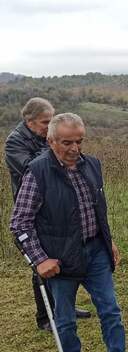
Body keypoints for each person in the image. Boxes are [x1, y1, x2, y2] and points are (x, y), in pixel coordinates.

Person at [10, 113, 128, 352]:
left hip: (95, 252)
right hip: (60, 259)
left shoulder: (92, 165)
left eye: (79, 141)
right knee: (66, 320)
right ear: (50, 141)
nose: (74, 149)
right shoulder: (37, 172)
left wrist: (108, 241)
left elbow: (96, 210)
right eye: (67, 143)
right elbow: (20, 223)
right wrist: (40, 259)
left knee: (110, 311)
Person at [4, 98, 91, 332]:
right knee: (41, 260)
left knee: (63, 256)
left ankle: (64, 307)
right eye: (45, 122)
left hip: (57, 205)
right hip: (35, 208)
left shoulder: (45, 139)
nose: (49, 125)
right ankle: (44, 317)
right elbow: (34, 169)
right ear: (29, 121)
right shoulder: (14, 142)